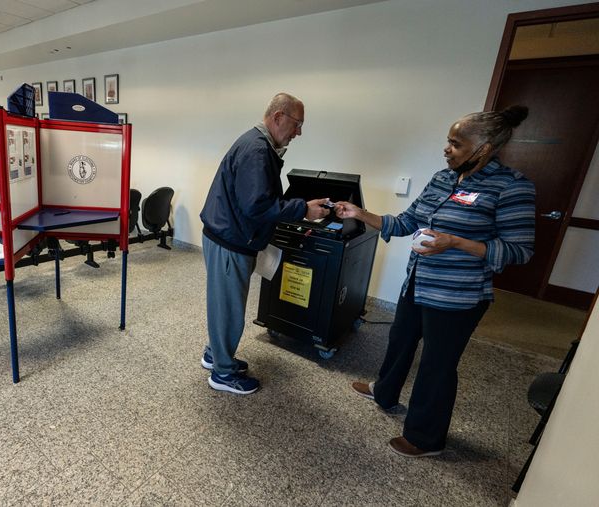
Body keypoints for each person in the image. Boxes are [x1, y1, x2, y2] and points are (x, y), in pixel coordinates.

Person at [335, 105, 535, 457]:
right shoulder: (442, 178)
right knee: (399, 340)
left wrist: (456, 242)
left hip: (459, 296)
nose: (447, 149)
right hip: (418, 281)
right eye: (448, 141)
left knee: (437, 365)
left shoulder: (512, 187)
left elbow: (519, 251)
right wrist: (359, 213)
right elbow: (406, 222)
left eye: (456, 144)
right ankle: (384, 391)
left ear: (484, 148)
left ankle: (426, 438)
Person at [199, 92, 331, 395]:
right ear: (278, 117)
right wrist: (303, 209)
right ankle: (222, 373)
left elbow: (259, 199)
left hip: (226, 234)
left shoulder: (259, 145)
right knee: (229, 308)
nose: (299, 132)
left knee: (223, 302)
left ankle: (215, 353)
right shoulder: (257, 150)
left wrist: (299, 204)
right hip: (230, 240)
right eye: (297, 124)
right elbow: (257, 206)